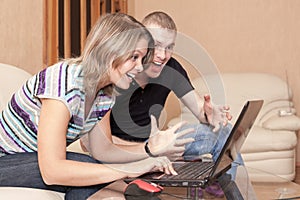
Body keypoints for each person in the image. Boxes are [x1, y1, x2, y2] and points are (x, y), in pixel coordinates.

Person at [0, 13, 192, 200]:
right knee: (83, 164)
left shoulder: (105, 94)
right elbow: (52, 170)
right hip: (5, 161)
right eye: (134, 57)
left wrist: (150, 150)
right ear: (110, 51)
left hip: (32, 160)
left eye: (142, 59)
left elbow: (103, 150)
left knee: (92, 173)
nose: (141, 67)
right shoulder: (63, 83)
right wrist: (128, 170)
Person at [81, 11, 242, 199]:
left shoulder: (171, 68)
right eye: (156, 46)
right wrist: (149, 149)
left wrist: (209, 114)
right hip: (119, 150)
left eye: (169, 47)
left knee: (223, 132)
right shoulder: (120, 72)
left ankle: (230, 194)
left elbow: (199, 108)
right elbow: (90, 145)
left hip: (156, 143)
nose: (162, 55)